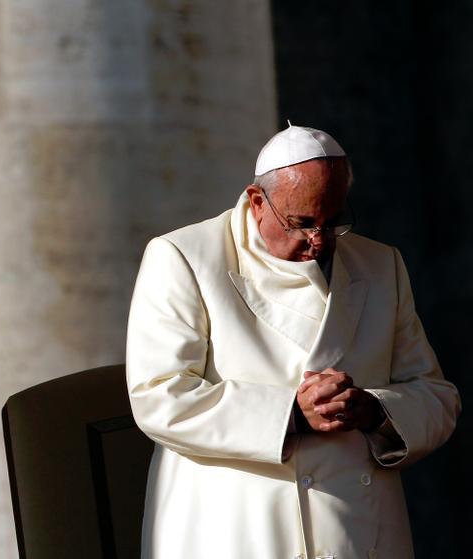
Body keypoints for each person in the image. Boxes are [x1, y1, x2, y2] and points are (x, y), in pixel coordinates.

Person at [126, 124, 461, 559]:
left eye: (333, 220)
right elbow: (159, 396)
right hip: (235, 528)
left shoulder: (380, 265)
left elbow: (436, 395)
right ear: (257, 200)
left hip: (359, 530)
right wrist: (292, 415)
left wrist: (377, 410)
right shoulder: (184, 258)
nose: (319, 241)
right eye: (301, 223)